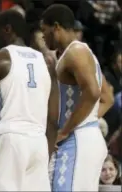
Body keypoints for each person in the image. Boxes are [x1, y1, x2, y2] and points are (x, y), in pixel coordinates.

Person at [0, 10, 58, 191]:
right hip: (39, 143)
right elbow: (52, 120)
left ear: (7, 29)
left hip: (9, 141)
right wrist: (45, 156)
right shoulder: (47, 62)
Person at [41, 4, 108, 191]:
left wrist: (66, 130)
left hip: (77, 140)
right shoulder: (76, 53)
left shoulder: (76, 52)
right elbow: (107, 97)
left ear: (56, 27)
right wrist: (89, 119)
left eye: (44, 30)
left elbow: (93, 93)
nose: (42, 36)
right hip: (82, 135)